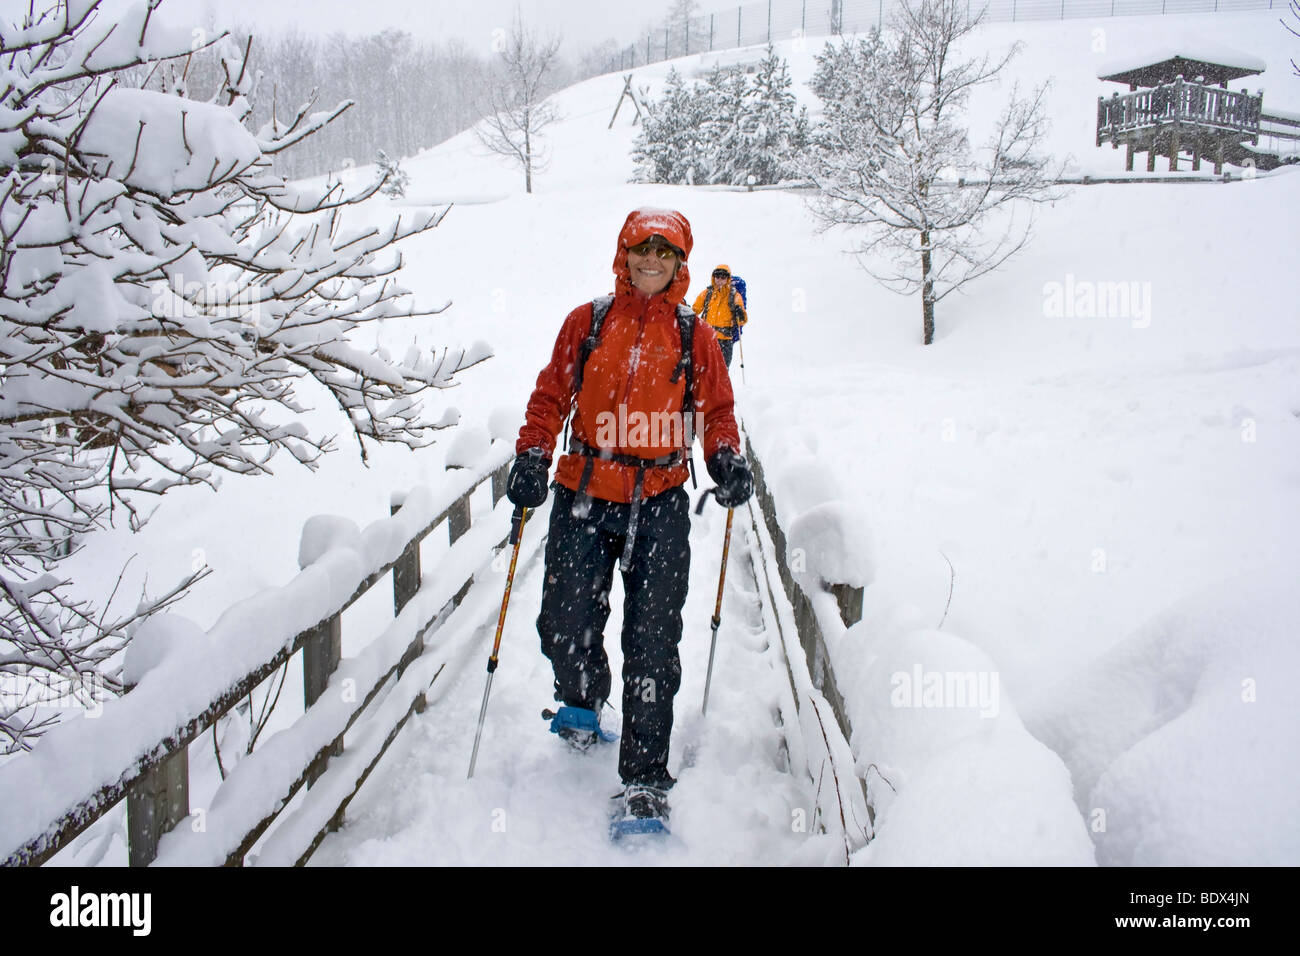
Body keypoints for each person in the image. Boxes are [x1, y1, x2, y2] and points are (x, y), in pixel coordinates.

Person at [506, 208, 754, 829]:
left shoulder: (694, 334)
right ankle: (582, 701)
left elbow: (718, 410)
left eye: (664, 253)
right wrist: (532, 456)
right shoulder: (587, 322)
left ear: (679, 263)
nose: (651, 261)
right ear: (624, 254)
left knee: (652, 640)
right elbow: (549, 396)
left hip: (662, 501)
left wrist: (724, 459)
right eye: (641, 249)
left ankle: (644, 779)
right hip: (585, 490)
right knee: (564, 616)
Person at [692, 264, 747, 368]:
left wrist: (740, 313)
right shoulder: (707, 293)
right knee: (705, 370)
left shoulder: (734, 296)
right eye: (717, 276)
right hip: (707, 338)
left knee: (722, 371)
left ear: (728, 278)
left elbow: (742, 320)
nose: (720, 280)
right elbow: (694, 310)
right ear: (714, 277)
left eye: (723, 277)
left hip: (725, 340)